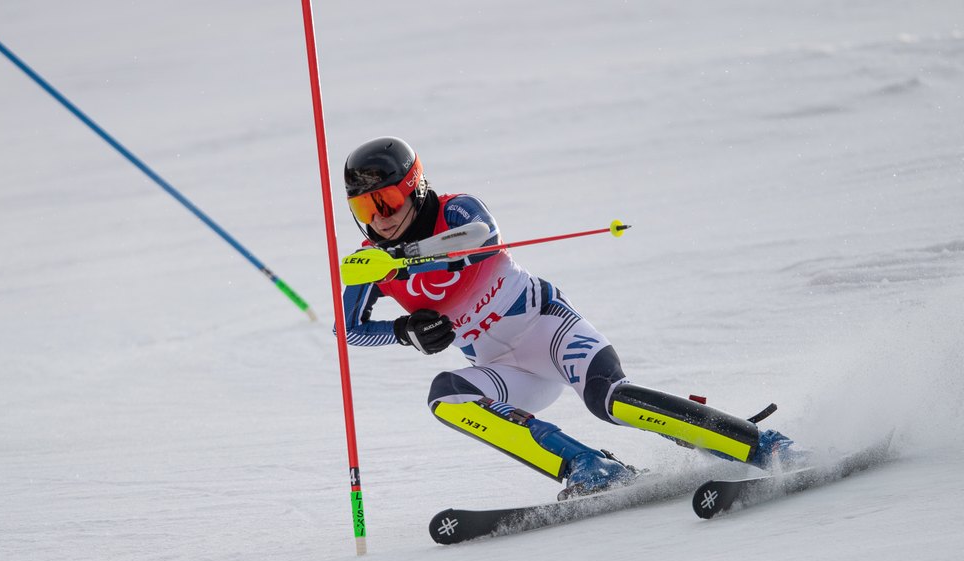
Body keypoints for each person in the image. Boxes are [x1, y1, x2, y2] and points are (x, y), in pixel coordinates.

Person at [339, 136, 804, 499]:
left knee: (609, 400)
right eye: (365, 208)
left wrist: (407, 257)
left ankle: (764, 445)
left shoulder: (453, 210)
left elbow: (483, 236)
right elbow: (349, 331)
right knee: (446, 398)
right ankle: (592, 468)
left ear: (416, 188)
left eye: (388, 202)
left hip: (549, 330)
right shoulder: (371, 263)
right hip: (503, 368)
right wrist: (402, 331)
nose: (378, 219)